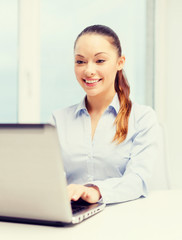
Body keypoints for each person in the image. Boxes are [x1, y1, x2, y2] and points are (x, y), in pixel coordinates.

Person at [51, 24, 159, 205]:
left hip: (123, 221)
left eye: (100, 61)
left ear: (120, 63)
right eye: (80, 61)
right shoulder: (58, 120)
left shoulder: (142, 119)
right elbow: (49, 178)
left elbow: (138, 180)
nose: (88, 70)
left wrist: (96, 191)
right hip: (70, 220)